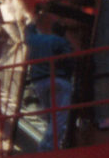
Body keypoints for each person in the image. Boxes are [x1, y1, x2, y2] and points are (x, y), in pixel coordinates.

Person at [26, 17, 73, 149]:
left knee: (50, 118)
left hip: (39, 84)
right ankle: (48, 146)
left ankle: (51, 143)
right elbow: (69, 60)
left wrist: (32, 22)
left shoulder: (35, 40)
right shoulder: (61, 41)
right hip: (58, 81)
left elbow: (28, 35)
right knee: (59, 118)